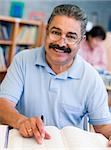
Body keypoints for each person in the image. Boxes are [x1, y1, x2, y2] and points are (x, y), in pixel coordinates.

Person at [0, 4, 111, 146]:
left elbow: (103, 126)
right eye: (56, 32)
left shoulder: (91, 77)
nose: (61, 42)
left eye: (71, 36)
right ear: (46, 32)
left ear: (81, 42)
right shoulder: (22, 60)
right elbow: (3, 105)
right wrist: (20, 121)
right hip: (26, 143)